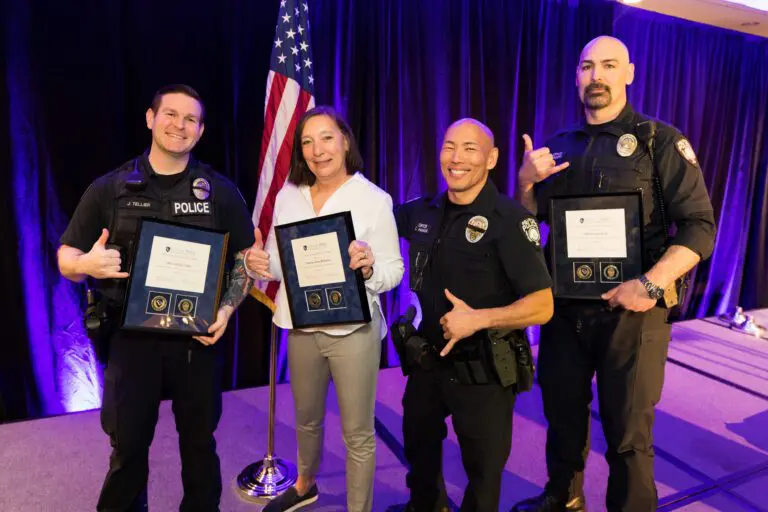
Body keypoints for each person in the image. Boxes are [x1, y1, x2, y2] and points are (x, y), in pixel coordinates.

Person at [510, 36, 716, 512]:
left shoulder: (659, 140)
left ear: (629, 73)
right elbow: (528, 228)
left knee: (627, 431)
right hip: (564, 309)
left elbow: (700, 227)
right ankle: (564, 495)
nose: (596, 76)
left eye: (608, 65)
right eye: (586, 67)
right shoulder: (558, 146)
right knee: (561, 414)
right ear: (577, 77)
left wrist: (651, 283)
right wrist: (524, 183)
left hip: (635, 312)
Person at [58, 84, 257, 511]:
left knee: (200, 447)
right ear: (150, 119)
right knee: (128, 448)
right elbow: (65, 256)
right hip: (131, 342)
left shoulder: (219, 191)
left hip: (196, 341)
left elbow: (245, 258)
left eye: (190, 119)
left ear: (200, 131)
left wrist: (226, 307)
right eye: (170, 114)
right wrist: (86, 265)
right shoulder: (109, 188)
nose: (178, 125)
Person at [388, 118, 555, 512]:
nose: (456, 158)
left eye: (470, 148)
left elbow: (543, 305)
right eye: (449, 146)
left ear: (492, 158)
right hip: (427, 361)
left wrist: (478, 319)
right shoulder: (422, 211)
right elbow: (372, 221)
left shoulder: (511, 221)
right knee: (419, 446)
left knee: (482, 471)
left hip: (483, 370)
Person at [245, 106, 404, 512]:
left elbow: (393, 271)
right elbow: (281, 263)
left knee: (357, 433)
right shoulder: (288, 195)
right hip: (301, 326)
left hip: (353, 331)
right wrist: (259, 262)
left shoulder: (374, 200)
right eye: (307, 142)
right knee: (307, 417)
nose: (318, 150)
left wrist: (368, 268)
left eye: (327, 138)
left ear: (345, 141)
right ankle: (304, 485)